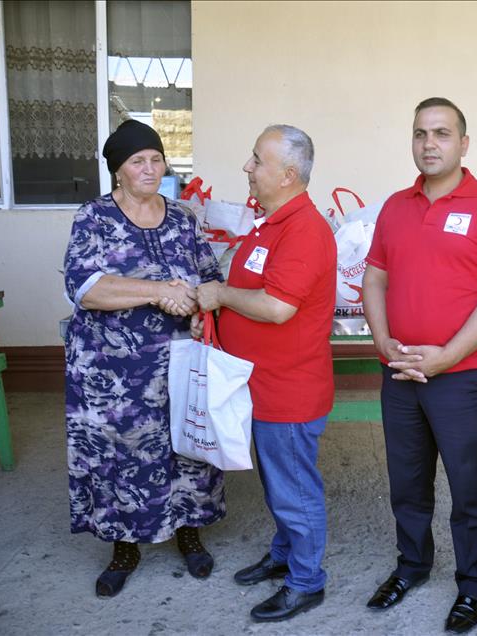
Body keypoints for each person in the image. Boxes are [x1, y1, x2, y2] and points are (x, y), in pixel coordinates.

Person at [362, 97, 477, 634]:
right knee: (407, 484)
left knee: (470, 487)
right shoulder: (394, 206)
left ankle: (473, 586)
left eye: (441, 133)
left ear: (463, 143)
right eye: (420, 134)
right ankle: (412, 566)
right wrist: (385, 343)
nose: (429, 143)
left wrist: (446, 357)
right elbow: (375, 279)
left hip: (461, 378)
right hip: (401, 372)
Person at [63, 119, 224, 598]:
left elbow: (210, 279)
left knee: (186, 447)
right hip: (111, 370)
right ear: (119, 172)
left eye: (156, 159)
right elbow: (85, 288)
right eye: (138, 161)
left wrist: (198, 310)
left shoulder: (183, 217)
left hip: (178, 361)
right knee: (120, 453)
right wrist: (158, 292)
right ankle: (123, 546)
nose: (150, 168)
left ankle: (189, 532)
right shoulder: (93, 218)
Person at [194, 124, 336, 624]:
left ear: (289, 174)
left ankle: (306, 582)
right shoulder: (270, 223)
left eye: (257, 160)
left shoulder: (304, 230)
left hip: (289, 390)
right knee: (281, 484)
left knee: (294, 487)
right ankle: (285, 554)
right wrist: (216, 310)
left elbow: (277, 307)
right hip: (261, 385)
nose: (247, 168)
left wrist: (219, 296)